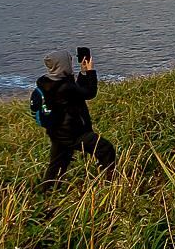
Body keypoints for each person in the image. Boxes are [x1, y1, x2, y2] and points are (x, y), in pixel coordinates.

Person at [36, 49, 116, 189]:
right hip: (74, 133)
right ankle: (111, 182)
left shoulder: (49, 81)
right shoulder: (65, 86)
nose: (71, 63)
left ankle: (45, 191)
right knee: (105, 149)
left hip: (57, 132)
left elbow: (77, 91)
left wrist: (83, 72)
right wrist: (90, 71)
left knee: (57, 163)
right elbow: (89, 93)